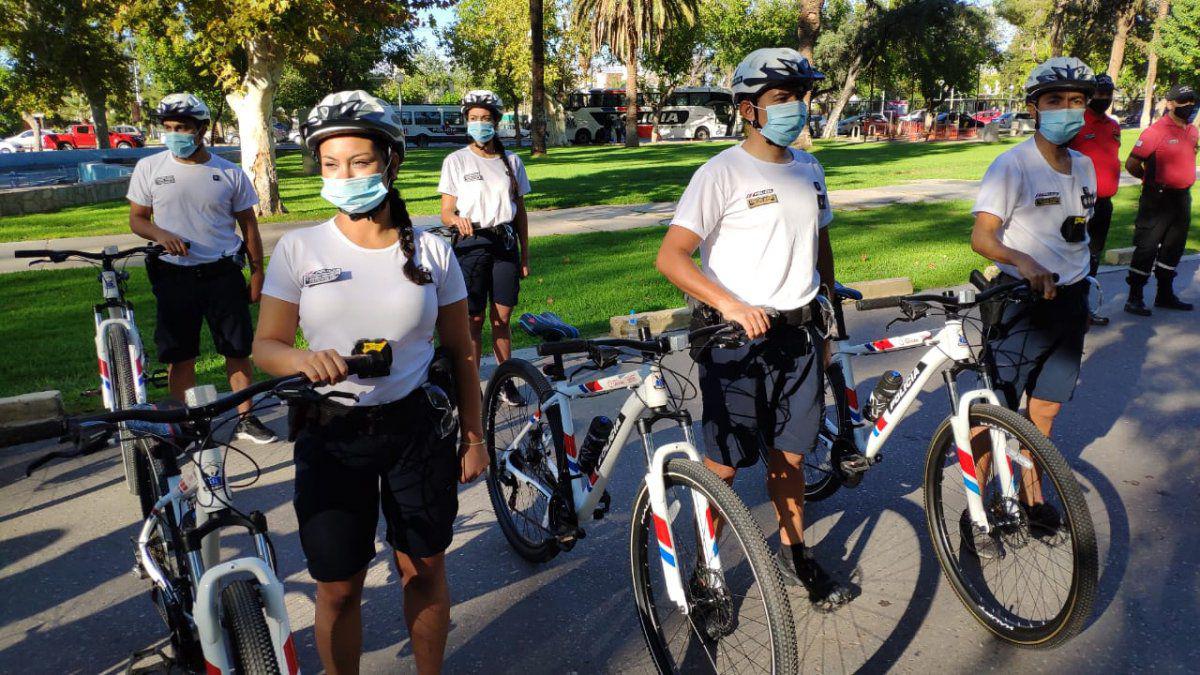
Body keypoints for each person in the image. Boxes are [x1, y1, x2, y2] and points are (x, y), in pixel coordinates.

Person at [252, 90, 486, 675]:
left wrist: (476, 438)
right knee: (338, 587)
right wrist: (302, 362)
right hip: (330, 434)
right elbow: (266, 346)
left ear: (390, 161)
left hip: (415, 429)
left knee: (424, 568)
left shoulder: (432, 250)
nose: (344, 175)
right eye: (331, 164)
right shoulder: (300, 248)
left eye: (359, 161)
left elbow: (461, 354)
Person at [655, 48, 851, 611]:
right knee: (722, 465)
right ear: (748, 109)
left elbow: (821, 242)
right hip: (733, 342)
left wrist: (829, 308)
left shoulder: (810, 169)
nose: (796, 107)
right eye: (781, 97)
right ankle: (708, 566)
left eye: (801, 95)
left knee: (789, 457)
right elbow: (672, 258)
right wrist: (731, 305)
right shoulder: (720, 173)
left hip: (799, 336)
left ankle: (797, 553)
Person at [969, 57, 1098, 558]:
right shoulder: (1013, 164)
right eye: (1054, 101)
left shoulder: (1084, 165)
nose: (1066, 110)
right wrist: (1023, 261)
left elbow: (1078, 231)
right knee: (996, 411)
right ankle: (976, 508)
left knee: (1044, 409)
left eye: (1075, 101)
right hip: (1021, 303)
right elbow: (983, 237)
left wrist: (1082, 289)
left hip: (1068, 302)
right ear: (1034, 108)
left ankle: (1031, 497)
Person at [127, 92, 275, 444]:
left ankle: (246, 418)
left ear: (202, 129)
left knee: (237, 350)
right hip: (174, 274)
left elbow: (249, 227)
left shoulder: (227, 172)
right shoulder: (150, 168)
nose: (174, 134)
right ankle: (184, 423)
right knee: (181, 354)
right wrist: (160, 234)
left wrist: (257, 273)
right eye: (168, 127)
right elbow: (137, 219)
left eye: (182, 127)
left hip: (221, 273)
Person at [437, 90, 531, 405]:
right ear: (467, 122)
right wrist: (455, 221)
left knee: (501, 320)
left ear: (496, 121)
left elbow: (521, 213)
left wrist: (525, 255)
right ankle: (471, 386)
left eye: (485, 119)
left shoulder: (513, 162)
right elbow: (446, 210)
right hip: (471, 245)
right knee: (473, 322)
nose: (480, 124)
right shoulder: (456, 161)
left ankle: (505, 381)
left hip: (504, 245)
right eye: (474, 119)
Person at [1123, 84, 1198, 316]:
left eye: (1191, 101)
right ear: (1169, 104)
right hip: (1157, 199)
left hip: (1181, 198)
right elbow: (1132, 164)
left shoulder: (1192, 131)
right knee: (1146, 247)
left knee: (1173, 247)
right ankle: (1134, 297)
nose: (1188, 106)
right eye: (1182, 101)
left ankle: (1164, 294)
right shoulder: (1155, 132)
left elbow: (1192, 152)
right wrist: (1151, 180)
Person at [1068, 73, 1121, 326]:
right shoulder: (1075, 124)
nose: (1103, 98)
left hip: (1104, 203)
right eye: (1099, 93)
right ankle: (1069, 310)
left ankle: (1084, 309)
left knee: (1093, 257)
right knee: (1074, 256)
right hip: (1078, 204)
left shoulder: (1113, 126)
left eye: (1107, 94)